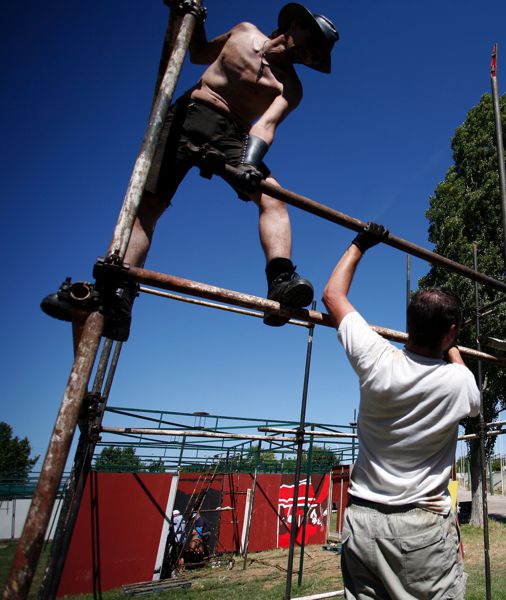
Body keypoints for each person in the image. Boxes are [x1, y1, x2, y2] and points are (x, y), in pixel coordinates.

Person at [41, 3, 340, 340]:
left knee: (273, 197)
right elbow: (197, 53)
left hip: (234, 136)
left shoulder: (290, 87)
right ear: (296, 24)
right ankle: (117, 295)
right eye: (310, 41)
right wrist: (195, 18)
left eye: (315, 55)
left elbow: (266, 125)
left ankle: (281, 280)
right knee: (147, 207)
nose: (307, 53)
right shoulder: (243, 32)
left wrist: (249, 163)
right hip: (188, 115)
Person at [322, 223, 481, 600]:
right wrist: (455, 350)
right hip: (419, 526)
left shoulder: (376, 358)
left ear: (407, 326)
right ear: (451, 332)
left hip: (361, 522)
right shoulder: (459, 383)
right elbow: (466, 390)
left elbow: (332, 296)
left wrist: (361, 243)